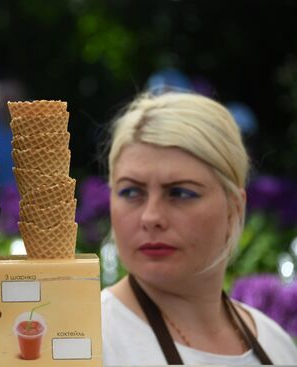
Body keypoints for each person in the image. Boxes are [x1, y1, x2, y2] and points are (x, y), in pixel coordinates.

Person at [101, 91, 297, 365]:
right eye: (131, 192)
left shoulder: (277, 346)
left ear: (234, 207)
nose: (151, 216)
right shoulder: (82, 341)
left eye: (180, 193)